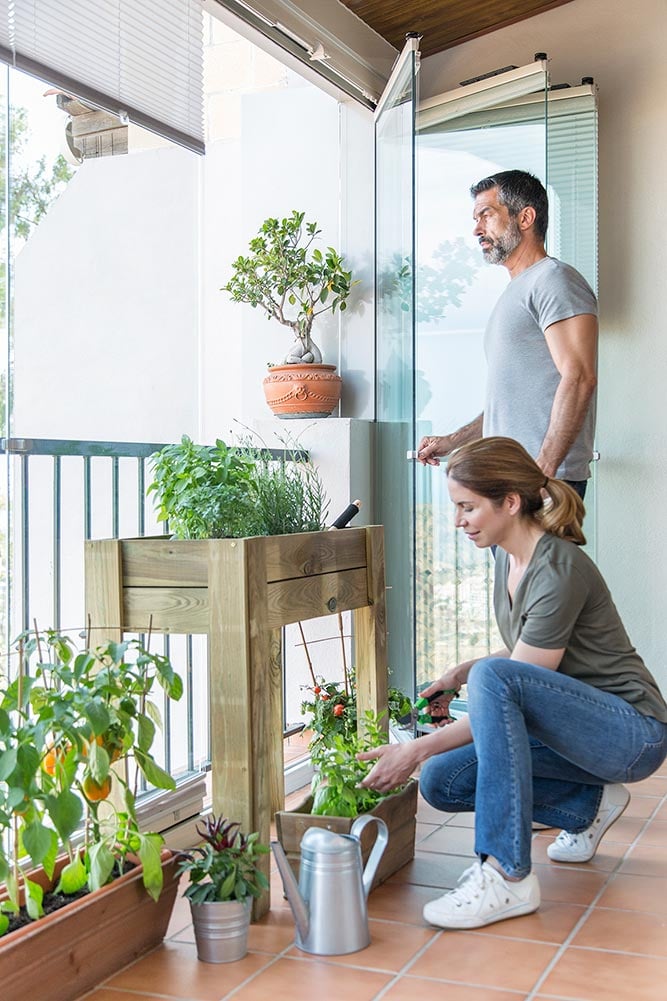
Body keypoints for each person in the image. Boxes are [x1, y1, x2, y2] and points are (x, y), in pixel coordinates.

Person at [358, 437, 667, 930]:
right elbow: (530, 657)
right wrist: (460, 673)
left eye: (467, 507)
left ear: (509, 502)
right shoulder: (508, 557)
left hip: (630, 734)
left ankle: (507, 875)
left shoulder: (558, 567)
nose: (457, 520)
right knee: (444, 781)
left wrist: (414, 750)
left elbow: (517, 677)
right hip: (572, 733)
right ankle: (587, 805)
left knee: (481, 692)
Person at [418, 170, 598, 498]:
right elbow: (509, 405)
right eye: (475, 218)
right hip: (511, 478)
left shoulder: (554, 280)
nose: (476, 229)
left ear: (525, 217)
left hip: (540, 482)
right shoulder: (517, 291)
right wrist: (453, 441)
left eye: (487, 215)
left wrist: (541, 474)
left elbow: (580, 377)